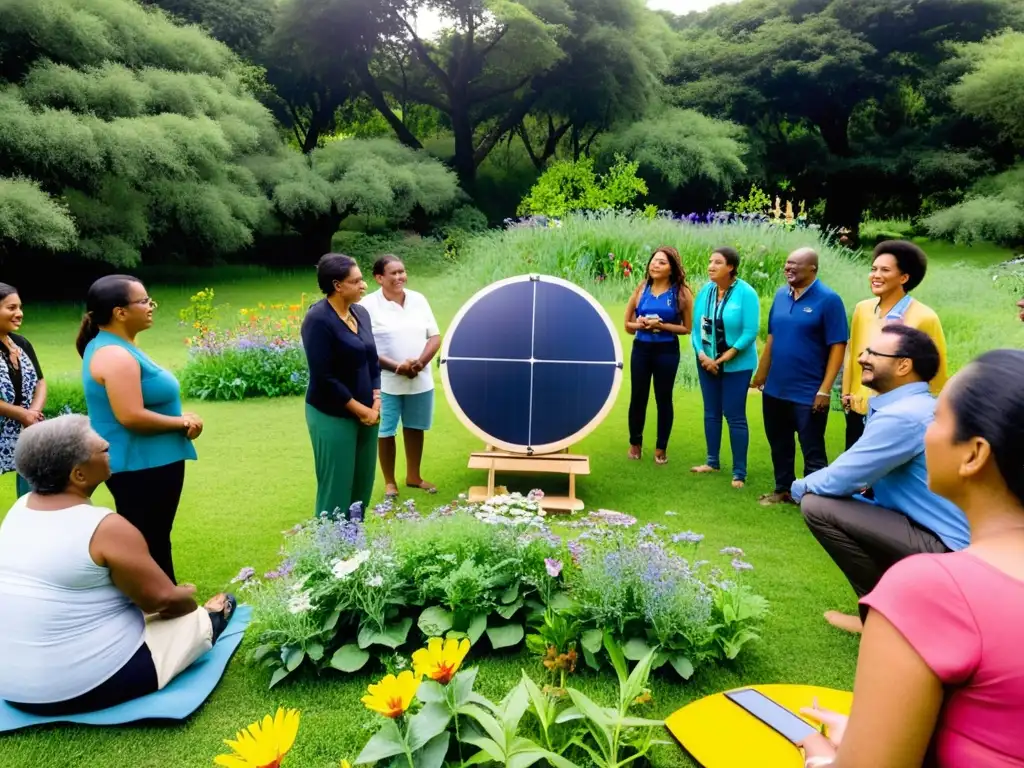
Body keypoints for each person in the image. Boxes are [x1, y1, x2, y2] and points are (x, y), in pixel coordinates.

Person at [797, 349, 1024, 768]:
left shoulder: (929, 591)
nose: (926, 431)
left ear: (974, 454)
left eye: (938, 418)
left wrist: (823, 758)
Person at [0, 415, 235, 716]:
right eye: (100, 446)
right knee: (203, 615)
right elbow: (165, 602)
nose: (106, 443)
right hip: (79, 686)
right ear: (79, 475)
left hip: (11, 687)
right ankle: (214, 617)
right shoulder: (106, 527)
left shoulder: (20, 509)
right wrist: (186, 593)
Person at [793, 325, 969, 635]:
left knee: (816, 505)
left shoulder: (903, 416)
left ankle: (883, 619)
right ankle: (896, 611)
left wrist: (797, 487)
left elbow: (842, 477)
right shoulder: (917, 407)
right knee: (843, 505)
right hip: (943, 539)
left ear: (904, 365)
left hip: (950, 551)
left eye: (874, 353)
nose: (862, 357)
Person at [78, 275, 201, 584]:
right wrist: (182, 422)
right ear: (120, 312)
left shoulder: (116, 346)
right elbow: (130, 416)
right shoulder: (114, 354)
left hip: (150, 460)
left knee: (154, 536)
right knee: (149, 539)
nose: (150, 307)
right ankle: (163, 608)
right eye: (144, 301)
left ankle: (163, 602)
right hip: (141, 463)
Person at [751, 249, 848, 507]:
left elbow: (838, 346)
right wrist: (761, 374)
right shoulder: (782, 295)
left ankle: (817, 501)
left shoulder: (829, 300)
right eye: (787, 265)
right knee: (779, 443)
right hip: (776, 388)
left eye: (795, 265)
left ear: (813, 269)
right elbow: (772, 337)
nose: (789, 269)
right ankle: (783, 489)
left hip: (808, 391)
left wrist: (825, 389)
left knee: (812, 448)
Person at [842, 240, 947, 449]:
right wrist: (847, 391)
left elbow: (936, 369)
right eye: (873, 269)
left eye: (885, 270)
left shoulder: (925, 317)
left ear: (904, 277)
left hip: (898, 412)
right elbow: (852, 351)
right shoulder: (862, 309)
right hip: (859, 406)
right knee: (857, 473)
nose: (875, 275)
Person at [301, 254, 381, 518]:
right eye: (356, 281)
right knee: (336, 485)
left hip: (369, 412)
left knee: (362, 484)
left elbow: (372, 359)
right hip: (332, 413)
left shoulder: (361, 313)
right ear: (337, 285)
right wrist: (361, 410)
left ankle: (354, 543)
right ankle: (329, 549)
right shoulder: (318, 320)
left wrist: (377, 400)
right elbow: (325, 378)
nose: (364, 285)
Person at [359, 255, 441, 498]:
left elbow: (434, 336)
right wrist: (397, 367)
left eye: (401, 272)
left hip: (420, 377)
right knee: (385, 430)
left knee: (416, 427)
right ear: (379, 278)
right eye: (392, 273)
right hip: (385, 380)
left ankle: (414, 476)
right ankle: (390, 482)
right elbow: (365, 347)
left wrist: (419, 363)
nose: (399, 277)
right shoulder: (367, 305)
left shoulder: (418, 299)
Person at [690, 247, 760, 488]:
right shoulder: (706, 292)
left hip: (737, 365)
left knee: (734, 414)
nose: (711, 266)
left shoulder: (746, 293)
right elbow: (696, 329)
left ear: (730, 267)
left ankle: (739, 472)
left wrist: (721, 360)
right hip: (706, 362)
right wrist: (702, 356)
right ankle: (712, 461)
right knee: (711, 412)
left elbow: (750, 332)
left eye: (717, 262)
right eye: (710, 262)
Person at [624, 246, 694, 464]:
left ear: (672, 269)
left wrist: (662, 326)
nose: (655, 265)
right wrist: (641, 325)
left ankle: (660, 447)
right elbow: (627, 325)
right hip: (641, 350)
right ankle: (635, 443)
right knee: (638, 397)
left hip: (666, 351)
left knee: (663, 399)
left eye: (662, 262)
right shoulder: (641, 288)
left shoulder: (681, 293)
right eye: (654, 261)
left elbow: (687, 328)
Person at [0, 283, 46, 498]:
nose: (19, 314)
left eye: (20, 307)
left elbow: (40, 382)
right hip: (18, 421)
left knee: (31, 487)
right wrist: (21, 414)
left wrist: (32, 414)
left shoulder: (20, 343)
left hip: (25, 428)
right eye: (11, 308)